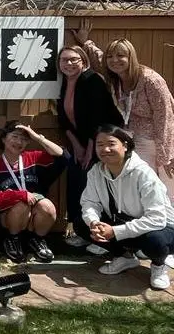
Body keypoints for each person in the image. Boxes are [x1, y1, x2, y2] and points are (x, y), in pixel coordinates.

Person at [72, 22, 174, 200]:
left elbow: (165, 117)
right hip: (131, 138)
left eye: (121, 56)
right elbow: (99, 58)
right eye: (111, 56)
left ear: (131, 57)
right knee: (138, 186)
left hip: (155, 141)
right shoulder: (116, 77)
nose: (115, 60)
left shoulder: (150, 80)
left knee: (164, 188)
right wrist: (85, 42)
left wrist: (166, 155)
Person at [81, 124, 174, 290]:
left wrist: (115, 232)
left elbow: (157, 218)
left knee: (155, 241)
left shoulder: (143, 173)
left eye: (111, 143)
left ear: (125, 145)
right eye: (100, 145)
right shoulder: (96, 172)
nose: (105, 149)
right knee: (82, 224)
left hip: (162, 227)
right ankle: (125, 257)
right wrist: (94, 223)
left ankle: (159, 266)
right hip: (125, 222)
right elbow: (89, 202)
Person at [56, 45, 123, 247]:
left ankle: (102, 234)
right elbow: (63, 119)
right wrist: (77, 145)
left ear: (83, 61)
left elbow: (99, 117)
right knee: (76, 181)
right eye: (64, 60)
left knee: (97, 186)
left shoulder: (92, 80)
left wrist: (92, 148)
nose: (69, 63)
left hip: (102, 142)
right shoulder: (65, 83)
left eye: (74, 59)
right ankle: (82, 231)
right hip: (81, 142)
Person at [0, 121, 67, 263]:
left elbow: (63, 157)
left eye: (24, 139)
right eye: (14, 137)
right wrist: (21, 195)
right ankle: (12, 240)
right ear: (3, 139)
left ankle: (37, 240)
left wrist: (38, 138)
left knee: (48, 206)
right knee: (21, 205)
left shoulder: (34, 158)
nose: (19, 142)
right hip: (9, 217)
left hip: (35, 216)